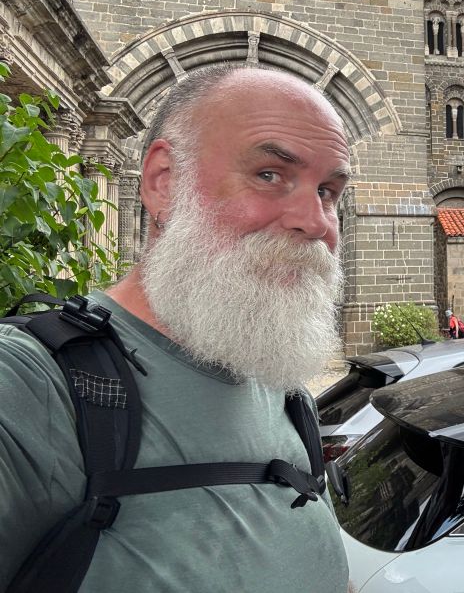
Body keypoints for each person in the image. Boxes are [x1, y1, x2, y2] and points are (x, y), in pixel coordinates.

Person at [0, 65, 350, 592]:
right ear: (165, 182)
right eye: (269, 174)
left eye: (327, 191)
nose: (316, 221)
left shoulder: (279, 381)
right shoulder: (26, 383)